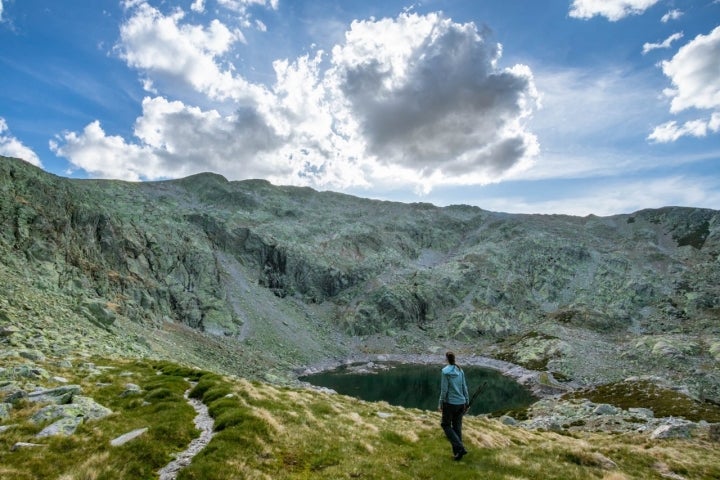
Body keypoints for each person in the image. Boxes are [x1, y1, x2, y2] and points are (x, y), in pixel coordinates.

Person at [438, 351, 469, 461]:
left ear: (446, 359)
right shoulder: (460, 370)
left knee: (445, 425)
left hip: (450, 403)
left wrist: (440, 403)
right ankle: (458, 455)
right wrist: (466, 402)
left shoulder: (445, 371)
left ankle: (460, 448)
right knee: (457, 427)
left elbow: (444, 390)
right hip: (461, 402)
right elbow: (464, 387)